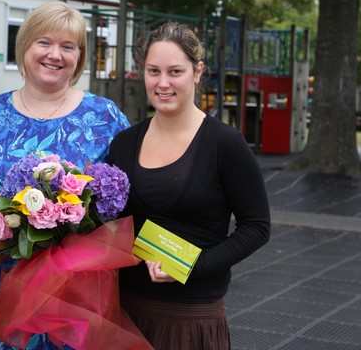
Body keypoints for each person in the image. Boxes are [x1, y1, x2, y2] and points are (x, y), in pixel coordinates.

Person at [0, 1, 131, 349]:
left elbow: (127, 202)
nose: (55, 55)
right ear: (25, 47)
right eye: (44, 42)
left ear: (80, 57)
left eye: (69, 46)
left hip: (73, 299)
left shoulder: (104, 117)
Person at [107, 21, 271, 349]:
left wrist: (193, 267)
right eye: (153, 71)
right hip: (126, 310)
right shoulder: (123, 143)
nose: (163, 83)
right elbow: (113, 222)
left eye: (175, 72)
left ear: (197, 72)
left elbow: (257, 227)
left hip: (190, 316)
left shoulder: (225, 144)